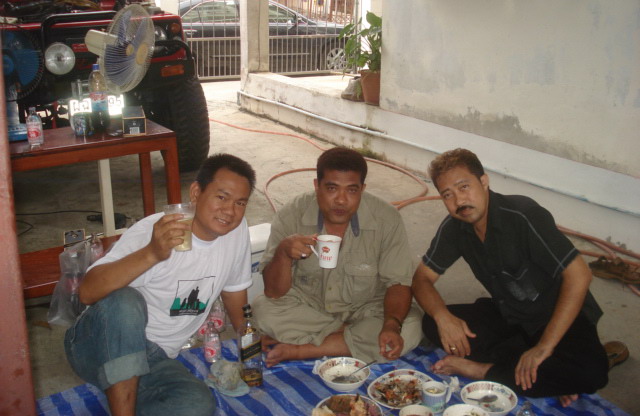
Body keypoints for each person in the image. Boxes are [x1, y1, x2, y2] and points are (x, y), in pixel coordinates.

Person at [412, 148, 614, 407]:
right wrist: (443, 317)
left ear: (484, 182)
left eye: (464, 187)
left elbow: (579, 276)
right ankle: (541, 374)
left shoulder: (523, 214)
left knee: (591, 373)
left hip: (558, 318)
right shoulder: (455, 228)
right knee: (432, 322)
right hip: (510, 318)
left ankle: (484, 370)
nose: (459, 200)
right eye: (447, 194)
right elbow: (421, 279)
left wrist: (544, 347)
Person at [64, 154, 256, 416]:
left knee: (197, 406)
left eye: (240, 203)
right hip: (99, 342)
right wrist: (152, 253)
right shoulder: (154, 231)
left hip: (155, 356)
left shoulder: (236, 230)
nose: (230, 211)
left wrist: (251, 342)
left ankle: (121, 390)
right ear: (196, 193)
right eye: (222, 197)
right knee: (125, 300)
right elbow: (87, 292)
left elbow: (234, 291)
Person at [253, 147, 422, 367]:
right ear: (317, 186)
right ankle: (349, 339)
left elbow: (398, 284)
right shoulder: (291, 214)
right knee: (263, 310)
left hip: (368, 309)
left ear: (362, 189)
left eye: (352, 190)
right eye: (332, 188)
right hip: (311, 307)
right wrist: (284, 253)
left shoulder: (387, 218)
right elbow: (273, 292)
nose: (341, 200)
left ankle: (304, 349)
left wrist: (390, 325)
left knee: (410, 327)